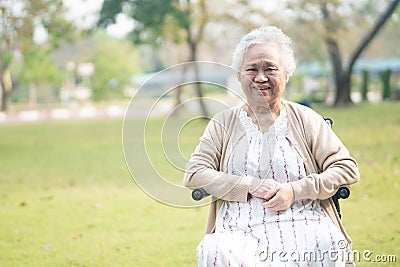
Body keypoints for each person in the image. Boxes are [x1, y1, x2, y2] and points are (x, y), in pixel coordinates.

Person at [183, 26, 360, 267]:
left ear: (286, 74)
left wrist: (295, 190)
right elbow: (194, 173)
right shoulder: (223, 123)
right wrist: (249, 186)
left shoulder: (306, 119)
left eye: (270, 69)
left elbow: (346, 168)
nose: (260, 77)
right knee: (213, 250)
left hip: (304, 221)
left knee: (329, 243)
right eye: (252, 69)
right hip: (239, 228)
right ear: (239, 76)